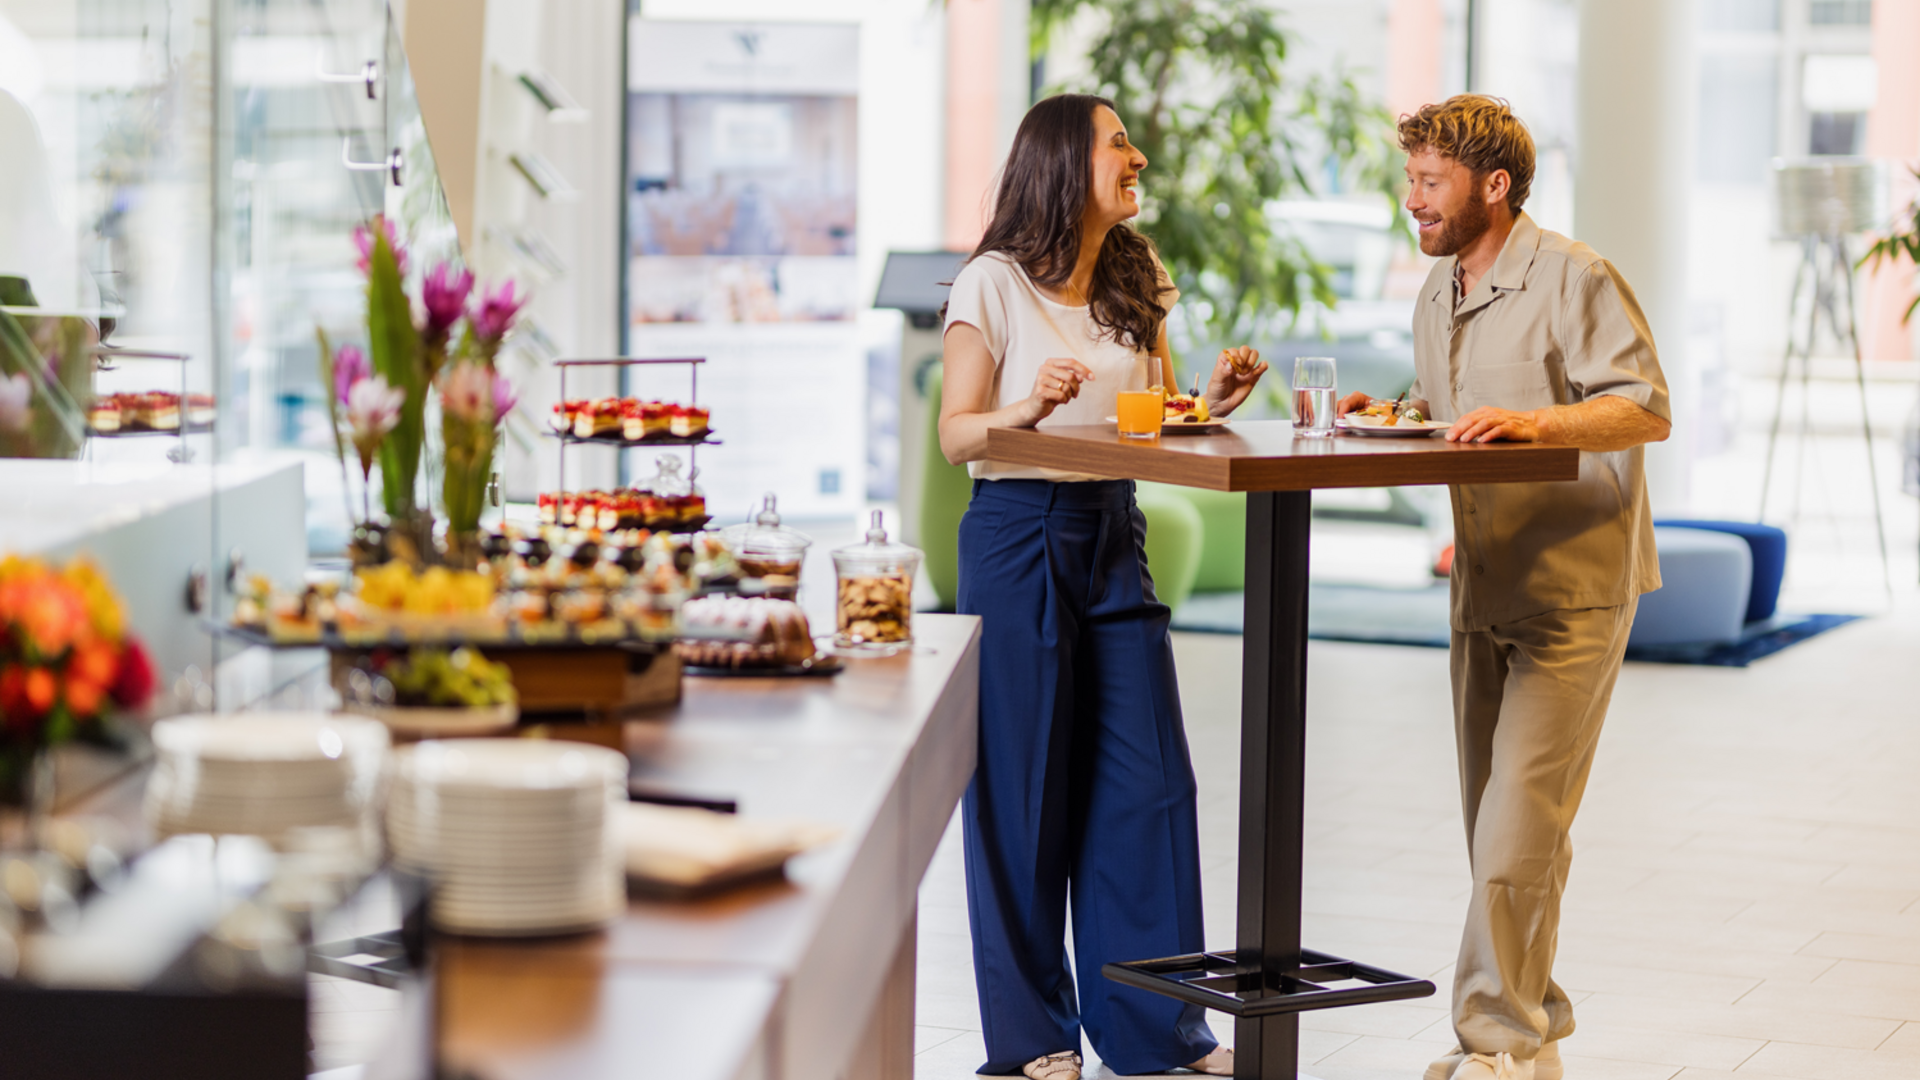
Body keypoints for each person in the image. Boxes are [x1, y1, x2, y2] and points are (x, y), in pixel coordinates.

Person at [1337, 95, 1672, 1080]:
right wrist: (1391, 412)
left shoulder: (1575, 276)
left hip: (1573, 590)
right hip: (1480, 586)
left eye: (1429, 181)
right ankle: (1534, 1025)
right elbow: (1461, 410)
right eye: (1410, 180)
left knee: (1517, 827)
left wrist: (1539, 425)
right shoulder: (1438, 291)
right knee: (1501, 830)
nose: (1413, 200)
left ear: (1494, 184)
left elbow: (1642, 409)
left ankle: (1500, 1044)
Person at [938, 93, 1267, 1080]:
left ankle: (1162, 1028)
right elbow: (959, 435)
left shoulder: (1138, 274)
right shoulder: (989, 285)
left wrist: (1204, 404)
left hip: (1111, 528)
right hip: (1016, 534)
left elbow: (1146, 422)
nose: (1137, 154)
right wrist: (1023, 409)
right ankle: (1036, 1037)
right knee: (1024, 791)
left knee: (1150, 782)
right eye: (1117, 142)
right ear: (1061, 164)